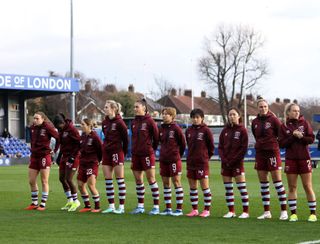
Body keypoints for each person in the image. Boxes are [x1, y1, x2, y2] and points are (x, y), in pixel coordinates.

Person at [279, 103, 317, 222]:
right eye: (294, 111)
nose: (297, 112)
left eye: (298, 111)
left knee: (307, 186)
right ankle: (293, 214)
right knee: (292, 187)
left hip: (304, 159)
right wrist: (293, 137)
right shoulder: (284, 126)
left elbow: (311, 139)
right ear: (288, 113)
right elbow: (282, 144)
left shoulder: (304, 123)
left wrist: (301, 136)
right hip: (291, 160)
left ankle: (312, 214)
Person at [251, 97, 288, 220]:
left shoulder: (274, 120)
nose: (263, 108)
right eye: (261, 107)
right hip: (260, 154)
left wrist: (272, 143)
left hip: (272, 153)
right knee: (263, 184)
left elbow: (281, 134)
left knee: (277, 183)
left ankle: (284, 211)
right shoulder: (254, 121)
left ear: (268, 107)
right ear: (258, 108)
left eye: (265, 106)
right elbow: (256, 136)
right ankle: (267, 212)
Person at [24, 112, 59, 211]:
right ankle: (34, 203)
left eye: (37, 118)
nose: (34, 120)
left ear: (43, 119)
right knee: (31, 181)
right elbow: (32, 140)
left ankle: (43, 204)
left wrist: (55, 150)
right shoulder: (32, 128)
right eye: (34, 118)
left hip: (44, 156)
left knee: (44, 181)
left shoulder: (47, 127)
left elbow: (58, 137)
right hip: (34, 156)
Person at [218, 107, 249, 219]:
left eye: (234, 114)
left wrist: (233, 160)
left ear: (239, 116)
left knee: (242, 188)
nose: (231, 116)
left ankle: (245, 212)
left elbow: (243, 148)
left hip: (237, 163)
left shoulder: (242, 130)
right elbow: (220, 147)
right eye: (230, 115)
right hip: (225, 164)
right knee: (228, 188)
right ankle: (231, 211)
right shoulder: (224, 131)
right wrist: (224, 159)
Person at [130, 98, 160, 215]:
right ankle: (140, 206)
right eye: (134, 107)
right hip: (136, 155)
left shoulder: (150, 121)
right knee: (138, 180)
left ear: (144, 108)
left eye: (137, 107)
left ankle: (156, 207)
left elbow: (156, 138)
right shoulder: (134, 122)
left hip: (147, 154)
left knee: (151, 179)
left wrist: (151, 149)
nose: (135, 109)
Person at [185, 108, 214, 218]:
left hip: (202, 163)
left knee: (205, 187)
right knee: (193, 187)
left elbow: (211, 147)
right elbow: (188, 145)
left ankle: (207, 210)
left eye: (197, 117)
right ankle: (194, 209)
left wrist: (205, 157)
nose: (195, 119)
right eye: (193, 117)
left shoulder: (206, 130)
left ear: (202, 118)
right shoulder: (189, 131)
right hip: (191, 163)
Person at [101, 100, 128, 214]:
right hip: (106, 153)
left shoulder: (120, 123)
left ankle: (121, 207)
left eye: (106, 107)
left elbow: (126, 140)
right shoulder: (104, 122)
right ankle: (111, 206)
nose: (105, 109)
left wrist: (123, 153)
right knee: (108, 181)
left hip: (117, 152)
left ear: (113, 109)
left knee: (120, 180)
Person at [158, 107, 186, 216]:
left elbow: (182, 144)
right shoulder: (161, 128)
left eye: (166, 114)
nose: (164, 116)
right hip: (163, 159)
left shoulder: (176, 129)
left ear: (172, 116)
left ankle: (179, 209)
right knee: (166, 184)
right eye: (163, 114)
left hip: (174, 160)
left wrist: (177, 155)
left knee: (176, 182)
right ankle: (168, 208)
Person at [53, 113, 81, 212]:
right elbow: (62, 145)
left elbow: (79, 144)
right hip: (64, 157)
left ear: (62, 123)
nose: (57, 128)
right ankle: (70, 200)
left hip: (73, 157)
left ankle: (76, 201)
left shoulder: (72, 130)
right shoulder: (61, 131)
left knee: (69, 179)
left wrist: (73, 157)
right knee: (61, 178)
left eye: (58, 126)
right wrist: (59, 156)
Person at [77, 118, 103, 213]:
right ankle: (87, 206)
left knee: (91, 185)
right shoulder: (83, 136)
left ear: (89, 126)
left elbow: (101, 150)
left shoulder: (95, 137)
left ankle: (97, 207)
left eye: (83, 124)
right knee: (80, 185)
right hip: (83, 163)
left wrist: (98, 161)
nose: (81, 126)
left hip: (92, 163)